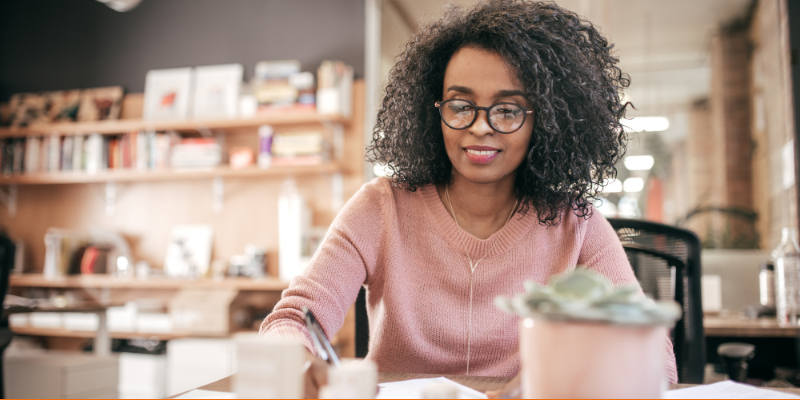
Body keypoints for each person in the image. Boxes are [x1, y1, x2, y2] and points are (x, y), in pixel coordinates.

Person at [260, 0, 679, 392]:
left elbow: (651, 353)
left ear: (545, 120)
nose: (480, 126)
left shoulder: (576, 223)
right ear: (433, 110)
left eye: (508, 109)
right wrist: (296, 360)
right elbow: (295, 318)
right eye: (461, 105)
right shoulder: (380, 207)